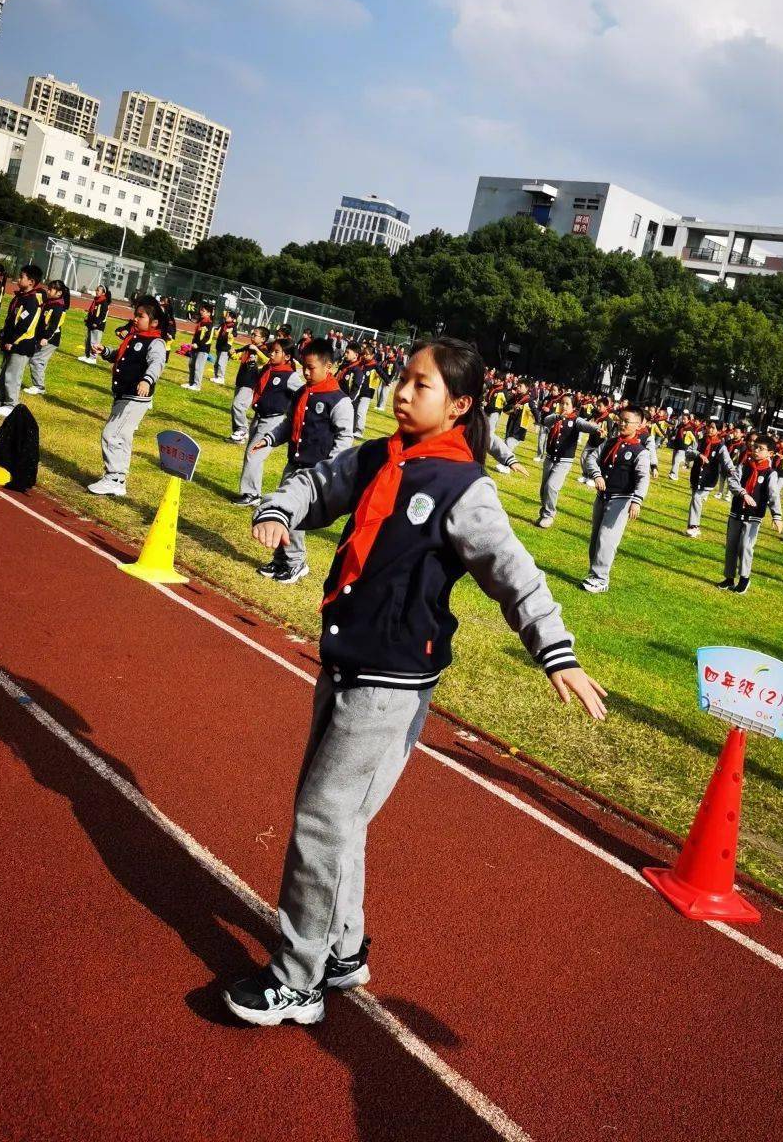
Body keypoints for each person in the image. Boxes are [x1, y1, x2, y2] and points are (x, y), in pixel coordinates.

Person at [223, 336, 606, 1026]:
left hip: (391, 681)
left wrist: (557, 652)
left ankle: (297, 980)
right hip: (346, 655)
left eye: (421, 386)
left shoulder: (462, 489)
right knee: (342, 818)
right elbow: (316, 481)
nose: (403, 393)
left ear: (459, 405)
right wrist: (280, 510)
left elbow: (515, 574)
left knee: (321, 820)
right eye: (402, 379)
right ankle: (339, 953)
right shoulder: (378, 457)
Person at [248, 338, 355, 584]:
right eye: (303, 367)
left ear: (328, 367)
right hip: (293, 465)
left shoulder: (339, 401)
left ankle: (296, 563)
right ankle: (280, 559)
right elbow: (288, 424)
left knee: (294, 516)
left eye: (311, 368)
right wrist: (269, 439)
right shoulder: (301, 392)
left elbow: (343, 438)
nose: (305, 372)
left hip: (314, 472)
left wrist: (330, 469)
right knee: (282, 512)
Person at [87, 296, 168, 497]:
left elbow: (157, 363)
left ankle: (114, 477)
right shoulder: (134, 337)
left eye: (141, 316)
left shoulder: (155, 342)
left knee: (111, 434)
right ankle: (119, 479)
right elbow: (122, 356)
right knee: (122, 437)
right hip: (124, 394)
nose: (135, 319)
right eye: (135, 315)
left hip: (135, 398)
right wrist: (105, 351)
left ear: (154, 322)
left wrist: (147, 380)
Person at [579, 404, 651, 593]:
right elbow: (591, 458)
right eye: (620, 419)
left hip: (621, 500)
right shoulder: (610, 442)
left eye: (627, 421)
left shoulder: (640, 451)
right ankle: (593, 574)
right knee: (595, 537)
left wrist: (637, 500)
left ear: (638, 425)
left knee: (607, 539)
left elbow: (643, 478)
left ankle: (601, 579)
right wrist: (596, 475)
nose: (621, 423)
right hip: (602, 496)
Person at [234, 338, 303, 506]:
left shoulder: (290, 375)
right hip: (259, 417)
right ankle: (252, 492)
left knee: (254, 454)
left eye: (276, 351)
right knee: (251, 455)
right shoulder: (269, 368)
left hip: (273, 420)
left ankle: (251, 494)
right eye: (272, 350)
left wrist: (292, 411)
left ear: (287, 357)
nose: (272, 353)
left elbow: (302, 393)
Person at [719, 435, 783, 594]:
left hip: (754, 516)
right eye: (755, 447)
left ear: (770, 453)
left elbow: (773, 495)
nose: (755, 450)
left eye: (760, 449)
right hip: (736, 512)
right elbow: (733, 482)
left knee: (746, 547)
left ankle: (744, 579)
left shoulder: (770, 473)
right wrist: (743, 493)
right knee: (731, 546)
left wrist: (777, 516)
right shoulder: (744, 465)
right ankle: (729, 578)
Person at [0, 264, 45, 417]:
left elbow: (27, 326)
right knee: (3, 373)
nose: (18, 279)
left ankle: (11, 405)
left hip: (21, 345)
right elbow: (11, 319)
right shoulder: (20, 297)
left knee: (13, 375)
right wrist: (3, 336)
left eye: (22, 277)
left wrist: (14, 341)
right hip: (9, 342)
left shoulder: (32, 301)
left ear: (31, 281)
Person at [535, 393, 600, 528]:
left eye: (567, 404)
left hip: (564, 461)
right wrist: (558, 416)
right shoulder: (555, 418)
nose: (563, 406)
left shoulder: (576, 420)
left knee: (551, 486)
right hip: (549, 458)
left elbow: (586, 425)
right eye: (562, 403)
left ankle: (549, 515)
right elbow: (546, 420)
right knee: (543, 489)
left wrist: (597, 428)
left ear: (573, 407)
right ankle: (544, 513)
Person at [684, 422, 734, 538]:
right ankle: (692, 527)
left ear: (720, 430)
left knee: (697, 498)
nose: (710, 430)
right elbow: (688, 452)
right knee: (694, 499)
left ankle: (694, 526)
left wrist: (731, 470)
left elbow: (727, 461)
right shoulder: (700, 440)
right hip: (696, 476)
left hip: (709, 478)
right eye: (709, 427)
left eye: (713, 428)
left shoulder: (721, 446)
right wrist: (698, 454)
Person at [23, 279, 69, 396]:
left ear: (59, 293)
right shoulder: (49, 302)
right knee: (38, 360)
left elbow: (54, 325)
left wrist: (46, 338)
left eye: (51, 289)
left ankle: (39, 386)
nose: (48, 291)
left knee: (36, 360)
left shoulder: (58, 306)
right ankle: (39, 385)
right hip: (43, 337)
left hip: (50, 339)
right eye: (48, 288)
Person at [230, 326, 271, 442]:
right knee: (234, 408)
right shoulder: (248, 348)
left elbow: (266, 361)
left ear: (263, 339)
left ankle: (242, 429)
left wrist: (257, 350)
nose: (252, 336)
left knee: (238, 405)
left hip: (251, 383)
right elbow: (239, 355)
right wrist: (233, 353)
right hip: (241, 380)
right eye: (252, 334)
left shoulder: (263, 349)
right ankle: (237, 433)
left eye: (255, 335)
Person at [182, 305, 214, 390]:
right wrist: (193, 344)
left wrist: (198, 345)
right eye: (201, 310)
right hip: (195, 347)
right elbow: (197, 335)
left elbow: (208, 338)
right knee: (191, 364)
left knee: (198, 367)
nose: (201, 312)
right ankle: (191, 383)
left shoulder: (209, 324)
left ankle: (197, 385)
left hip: (203, 349)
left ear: (209, 313)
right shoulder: (201, 322)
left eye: (203, 311)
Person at [79, 284, 111, 363]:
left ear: (103, 293)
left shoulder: (104, 302)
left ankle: (93, 358)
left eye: (98, 290)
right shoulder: (96, 300)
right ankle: (87, 355)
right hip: (91, 324)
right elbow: (92, 311)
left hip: (98, 326)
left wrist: (97, 323)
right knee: (88, 341)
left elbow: (103, 315)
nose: (96, 291)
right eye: (96, 290)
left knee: (94, 341)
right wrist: (88, 319)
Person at [211, 309, 237, 384]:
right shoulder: (223, 324)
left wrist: (230, 334)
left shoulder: (233, 326)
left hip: (226, 348)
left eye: (228, 317)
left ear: (232, 319)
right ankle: (216, 376)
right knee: (216, 363)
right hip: (219, 345)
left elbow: (235, 334)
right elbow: (217, 329)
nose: (226, 317)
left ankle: (221, 378)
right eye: (226, 316)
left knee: (221, 363)